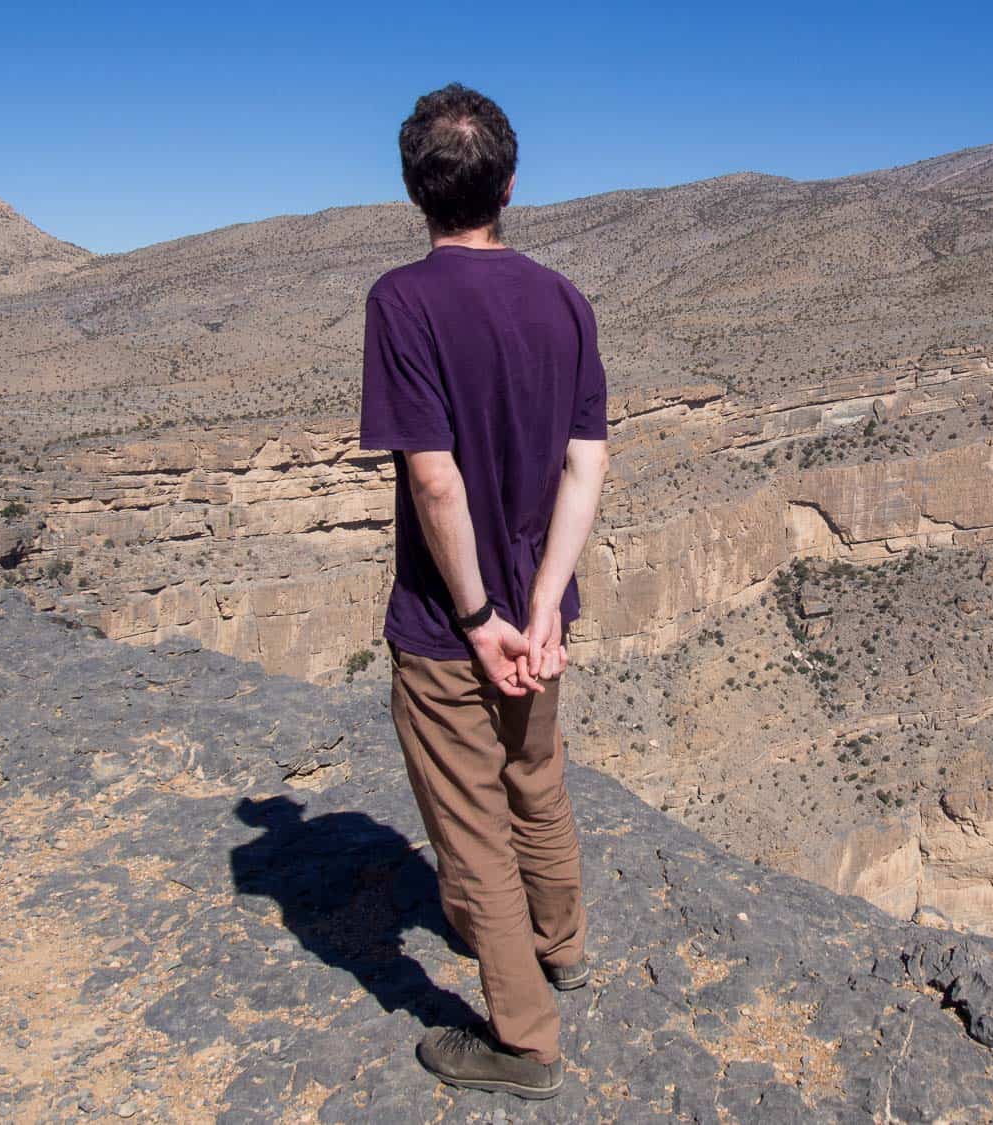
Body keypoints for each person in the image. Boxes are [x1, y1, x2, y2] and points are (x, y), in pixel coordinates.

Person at [357, 82, 609, 1101]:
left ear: (416, 190)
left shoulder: (402, 301)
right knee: (535, 784)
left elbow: (433, 476)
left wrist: (480, 619)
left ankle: (524, 1042)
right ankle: (566, 945)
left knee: (471, 836)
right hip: (539, 622)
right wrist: (543, 605)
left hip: (448, 627)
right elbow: (585, 464)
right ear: (509, 182)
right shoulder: (564, 300)